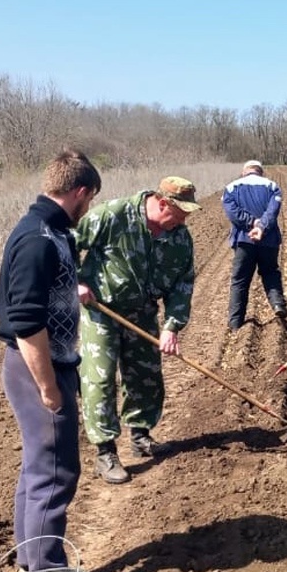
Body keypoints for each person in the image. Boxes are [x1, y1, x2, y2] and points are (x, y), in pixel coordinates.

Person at [0, 149, 101, 571]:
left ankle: (29, 560)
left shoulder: (53, 233)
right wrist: (48, 388)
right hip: (36, 366)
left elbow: (43, 286)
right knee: (55, 473)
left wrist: (70, 287)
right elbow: (24, 322)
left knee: (40, 467)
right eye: (89, 199)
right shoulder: (38, 239)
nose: (88, 207)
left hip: (48, 362)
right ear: (79, 192)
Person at [75, 176, 200, 484]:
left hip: (143, 312)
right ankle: (105, 453)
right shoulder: (112, 215)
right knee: (100, 378)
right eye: (179, 213)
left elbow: (182, 283)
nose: (182, 221)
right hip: (101, 311)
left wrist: (172, 326)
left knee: (145, 375)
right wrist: (75, 281)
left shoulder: (180, 238)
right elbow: (66, 243)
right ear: (161, 203)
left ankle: (141, 436)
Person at [222, 160, 287, 330]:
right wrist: (261, 226)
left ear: (244, 172)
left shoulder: (230, 188)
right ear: (260, 172)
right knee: (270, 272)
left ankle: (235, 323)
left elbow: (233, 213)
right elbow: (272, 211)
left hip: (244, 241)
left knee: (240, 280)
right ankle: (278, 305)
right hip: (269, 240)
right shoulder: (273, 187)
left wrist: (251, 222)